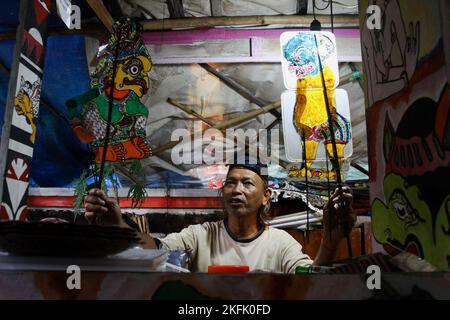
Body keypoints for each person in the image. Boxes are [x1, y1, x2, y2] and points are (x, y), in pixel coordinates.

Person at [83, 161, 356, 273]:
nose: (237, 189)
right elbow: (154, 249)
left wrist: (329, 244)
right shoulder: (201, 235)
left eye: (248, 183)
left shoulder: (281, 243)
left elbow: (307, 281)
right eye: (230, 183)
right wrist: (117, 225)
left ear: (266, 196)